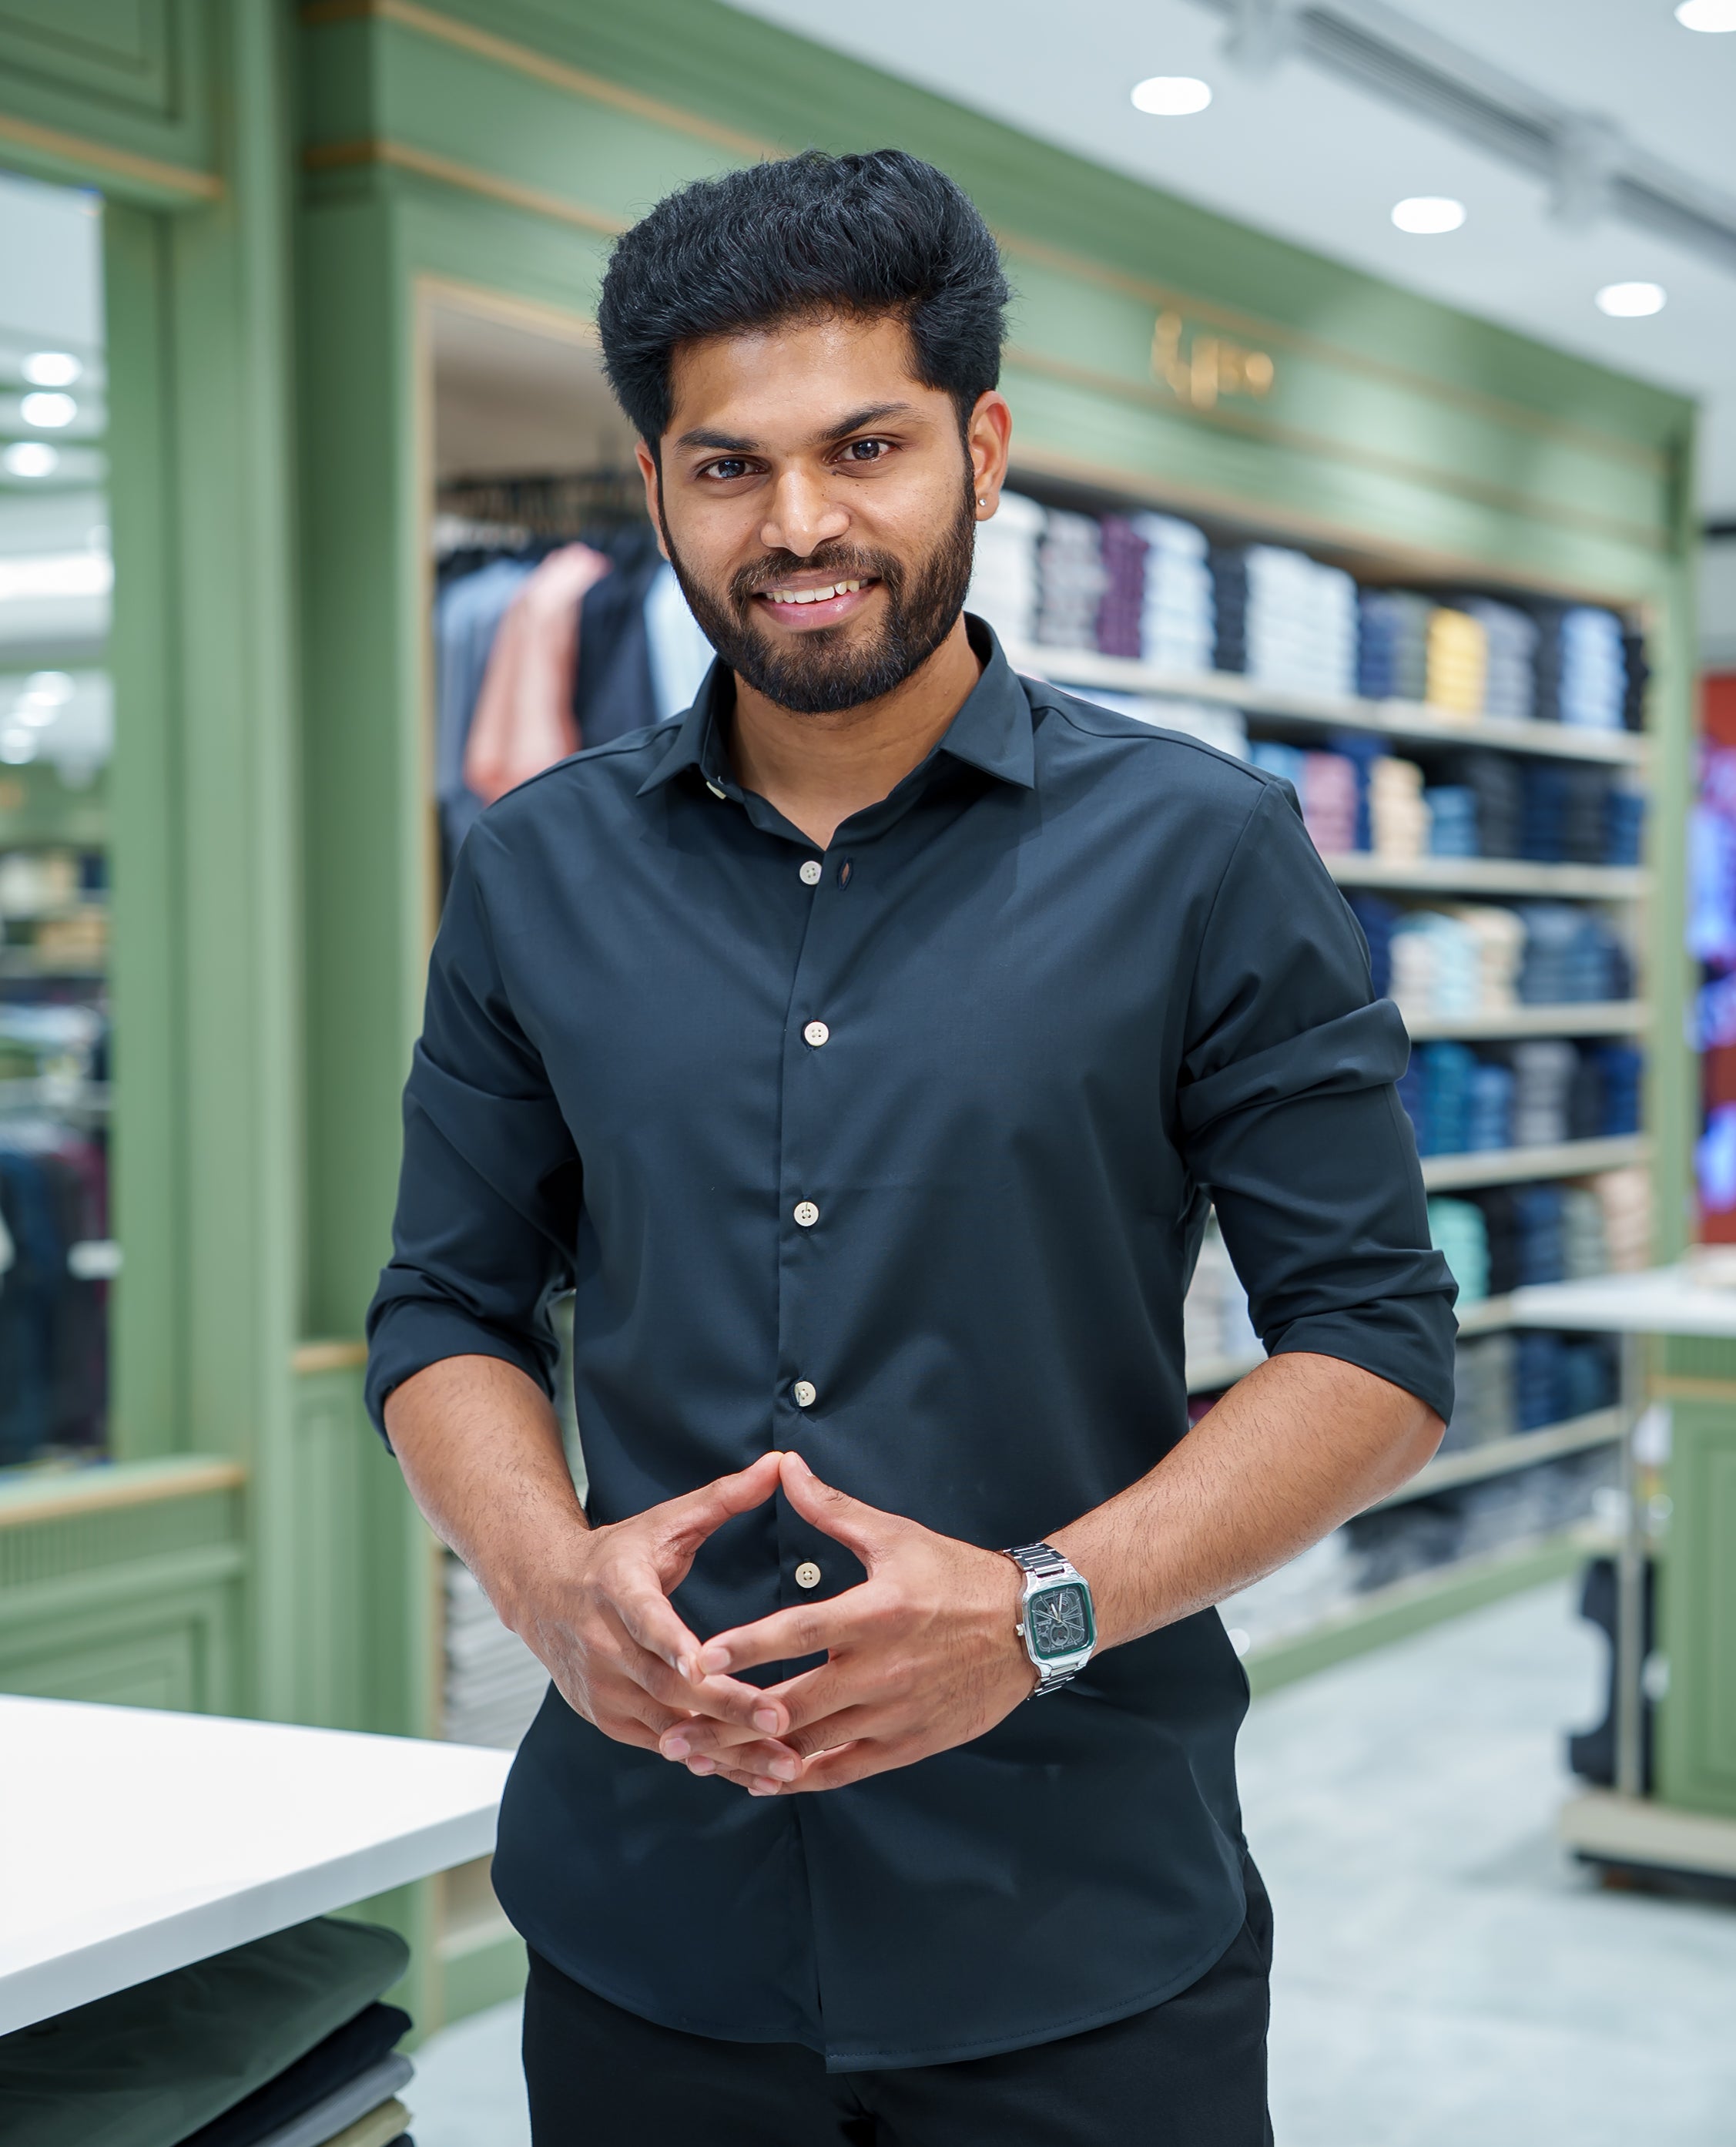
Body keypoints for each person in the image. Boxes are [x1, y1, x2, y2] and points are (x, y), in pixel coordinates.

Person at [367, 148, 1455, 2145]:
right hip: (648, 1927)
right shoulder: (533, 870)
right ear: (655, 484)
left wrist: (1036, 1604)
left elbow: (1377, 1345)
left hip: (1081, 1937)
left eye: (863, 445)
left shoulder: (1206, 853)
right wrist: (542, 1577)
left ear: (983, 443)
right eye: (728, 465)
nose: (800, 525)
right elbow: (442, 1304)